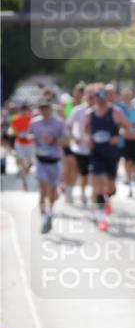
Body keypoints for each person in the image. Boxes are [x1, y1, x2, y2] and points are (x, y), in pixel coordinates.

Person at [84, 85, 128, 231]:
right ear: (94, 98)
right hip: (96, 152)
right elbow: (85, 130)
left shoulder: (115, 112)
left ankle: (107, 198)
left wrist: (118, 136)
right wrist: (87, 138)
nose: (101, 101)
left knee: (110, 186)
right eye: (98, 97)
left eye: (103, 97)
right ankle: (101, 216)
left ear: (106, 98)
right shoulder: (90, 113)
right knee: (98, 183)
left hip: (111, 153)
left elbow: (126, 127)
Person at [28, 98, 68, 233]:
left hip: (55, 161)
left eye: (46, 108)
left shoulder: (58, 122)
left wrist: (55, 140)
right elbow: (29, 136)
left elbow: (67, 140)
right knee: (42, 189)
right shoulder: (35, 123)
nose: (44, 110)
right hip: (40, 160)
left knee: (51, 190)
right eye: (42, 108)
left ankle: (49, 212)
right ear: (39, 109)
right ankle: (44, 218)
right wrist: (32, 139)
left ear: (51, 109)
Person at [66, 84, 97, 206]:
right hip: (77, 148)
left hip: (92, 148)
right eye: (88, 96)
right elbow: (68, 126)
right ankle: (69, 191)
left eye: (93, 96)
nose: (91, 98)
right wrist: (74, 138)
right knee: (73, 170)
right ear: (85, 97)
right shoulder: (78, 110)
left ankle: (83, 193)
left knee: (85, 174)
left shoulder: (99, 111)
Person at [10, 102, 35, 191]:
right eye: (22, 111)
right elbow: (14, 131)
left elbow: (33, 131)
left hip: (29, 144)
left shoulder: (31, 119)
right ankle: (24, 184)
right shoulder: (15, 120)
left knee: (29, 163)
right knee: (22, 163)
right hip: (20, 143)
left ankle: (25, 173)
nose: (24, 113)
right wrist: (20, 135)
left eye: (25, 111)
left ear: (28, 111)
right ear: (19, 111)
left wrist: (29, 136)